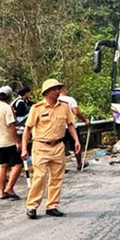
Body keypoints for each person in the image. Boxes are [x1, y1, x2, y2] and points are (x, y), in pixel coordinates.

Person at [21, 78, 81, 219]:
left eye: (58, 88)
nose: (57, 91)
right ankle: (32, 206)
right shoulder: (37, 108)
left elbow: (70, 124)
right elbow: (27, 129)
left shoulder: (64, 106)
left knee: (57, 177)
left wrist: (76, 140)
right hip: (41, 146)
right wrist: (24, 149)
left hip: (58, 146)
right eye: (54, 89)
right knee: (40, 176)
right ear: (46, 92)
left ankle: (52, 206)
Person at [0, 86, 23, 200]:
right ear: (9, 96)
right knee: (17, 164)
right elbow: (10, 126)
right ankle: (9, 187)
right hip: (8, 141)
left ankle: (2, 192)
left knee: (2, 166)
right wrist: (18, 141)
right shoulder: (7, 108)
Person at [58, 85, 90, 171]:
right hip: (71, 126)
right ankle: (79, 163)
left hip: (59, 127)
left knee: (60, 148)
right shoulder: (70, 99)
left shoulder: (55, 100)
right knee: (76, 144)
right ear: (64, 90)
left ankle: (61, 167)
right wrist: (84, 120)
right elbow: (76, 111)